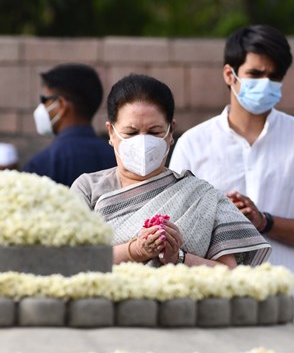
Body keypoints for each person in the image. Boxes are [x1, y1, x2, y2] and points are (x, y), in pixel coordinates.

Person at [170, 24, 294, 322]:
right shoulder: (193, 144)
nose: (265, 83)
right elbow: (175, 229)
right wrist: (216, 216)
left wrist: (265, 221)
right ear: (229, 75)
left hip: (292, 302)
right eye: (255, 74)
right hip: (216, 303)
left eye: (274, 77)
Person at [71, 74, 271, 268]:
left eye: (154, 132)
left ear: (170, 132)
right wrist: (136, 250)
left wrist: (178, 257)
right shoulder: (88, 188)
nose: (143, 141)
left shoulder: (200, 196)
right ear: (111, 132)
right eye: (131, 133)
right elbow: (70, 260)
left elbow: (230, 274)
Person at [24, 63, 115, 186]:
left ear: (61, 104)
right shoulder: (116, 157)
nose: (42, 107)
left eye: (44, 100)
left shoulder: (41, 164)